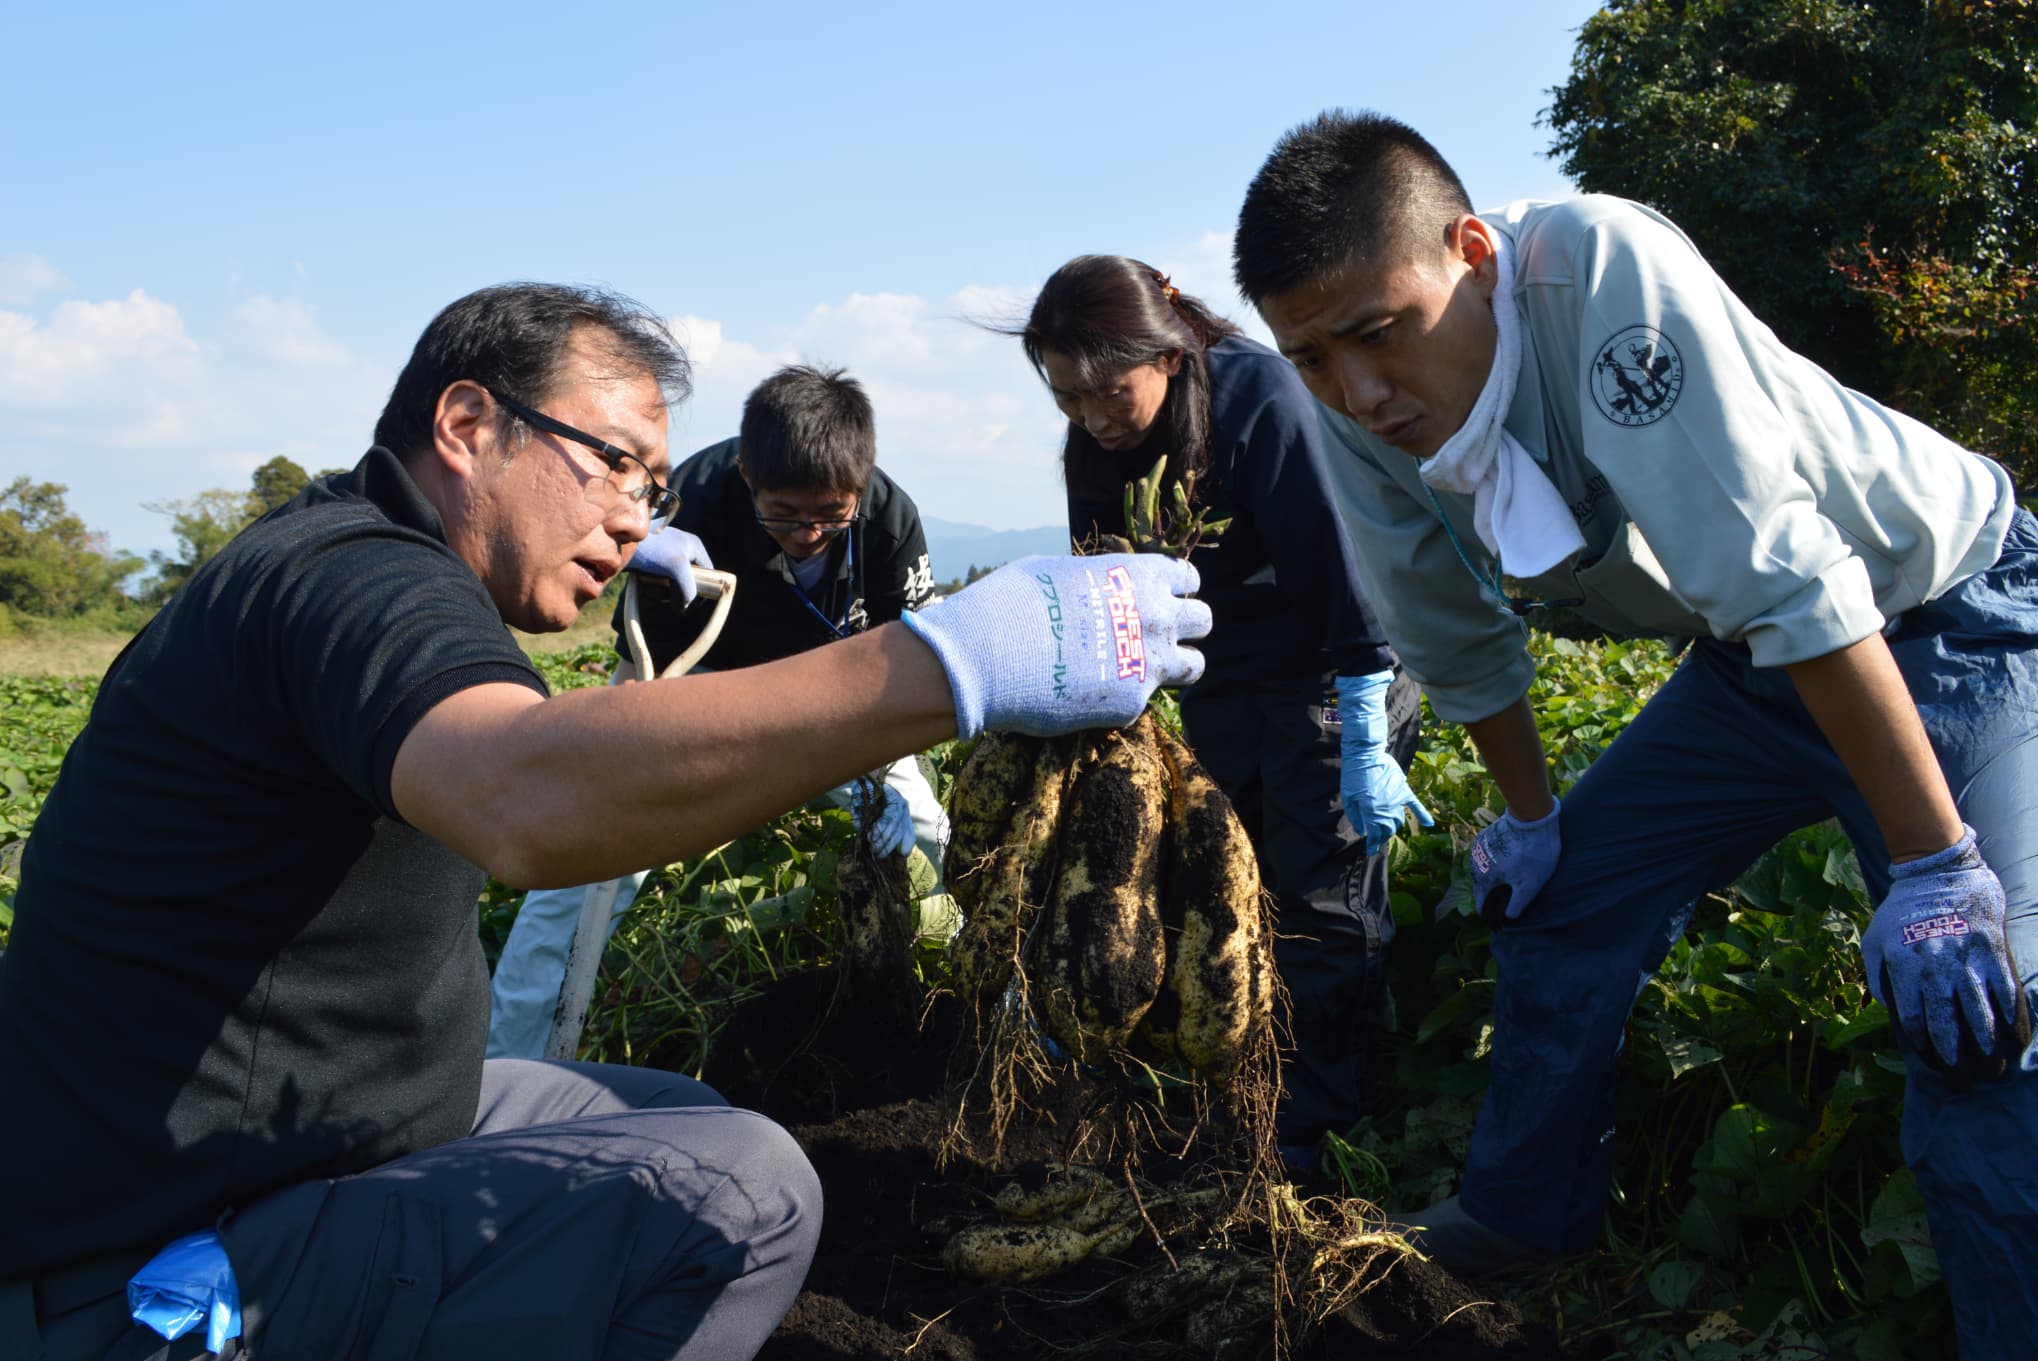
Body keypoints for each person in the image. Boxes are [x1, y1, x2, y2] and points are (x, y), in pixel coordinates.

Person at [0, 282, 1210, 1361]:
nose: (637, 519)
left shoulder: (374, 569)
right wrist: (943, 666)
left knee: (683, 1119)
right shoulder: (352, 577)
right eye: (614, 464)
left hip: (334, 1128)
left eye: (655, 485)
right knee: (748, 1191)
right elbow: (526, 798)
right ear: (468, 427)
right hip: (161, 1249)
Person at [1232, 110, 2038, 1357]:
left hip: (1948, 623)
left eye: (1376, 333)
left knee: (1984, 1016)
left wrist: (1935, 867)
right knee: (1561, 903)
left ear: (1471, 252)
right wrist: (1530, 819)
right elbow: (1449, 629)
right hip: (1750, 671)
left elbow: (1788, 582)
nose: (1357, 391)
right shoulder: (1357, 407)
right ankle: (1516, 1218)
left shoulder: (1595, 272)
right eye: (1311, 358)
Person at [1012, 254, 1430, 1162]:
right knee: (1233, 878)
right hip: (1226, 673)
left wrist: (1365, 713)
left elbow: (1340, 562)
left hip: (1334, 660)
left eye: (1106, 391)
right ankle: (1242, 1080)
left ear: (1163, 353)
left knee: (1323, 897)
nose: (1090, 418)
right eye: (1067, 400)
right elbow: (1108, 586)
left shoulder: (1258, 399)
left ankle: (1319, 1125)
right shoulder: (1100, 443)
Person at [485, 363, 948, 1060]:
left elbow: (911, 658)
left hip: (825, 701)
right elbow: (598, 556)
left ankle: (964, 1007)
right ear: (745, 473)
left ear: (860, 483)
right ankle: (510, 1063)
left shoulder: (888, 520)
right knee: (582, 868)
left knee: (930, 831)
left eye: (830, 515)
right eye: (783, 514)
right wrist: (636, 541)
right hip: (684, 691)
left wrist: (879, 765)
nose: (808, 533)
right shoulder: (690, 493)